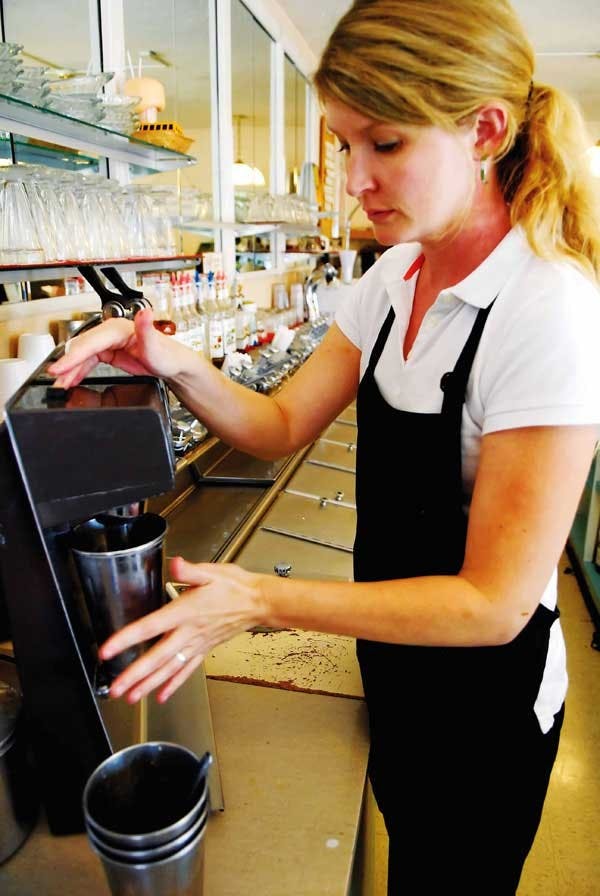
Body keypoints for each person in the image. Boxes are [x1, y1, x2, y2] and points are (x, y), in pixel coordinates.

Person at [49, 1, 600, 892]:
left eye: (384, 145)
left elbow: (493, 603)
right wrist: (167, 356)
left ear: (485, 131)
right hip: (397, 665)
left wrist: (263, 602)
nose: (353, 180)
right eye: (344, 144)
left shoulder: (549, 311)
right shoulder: (394, 277)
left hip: (487, 705)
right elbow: (277, 425)